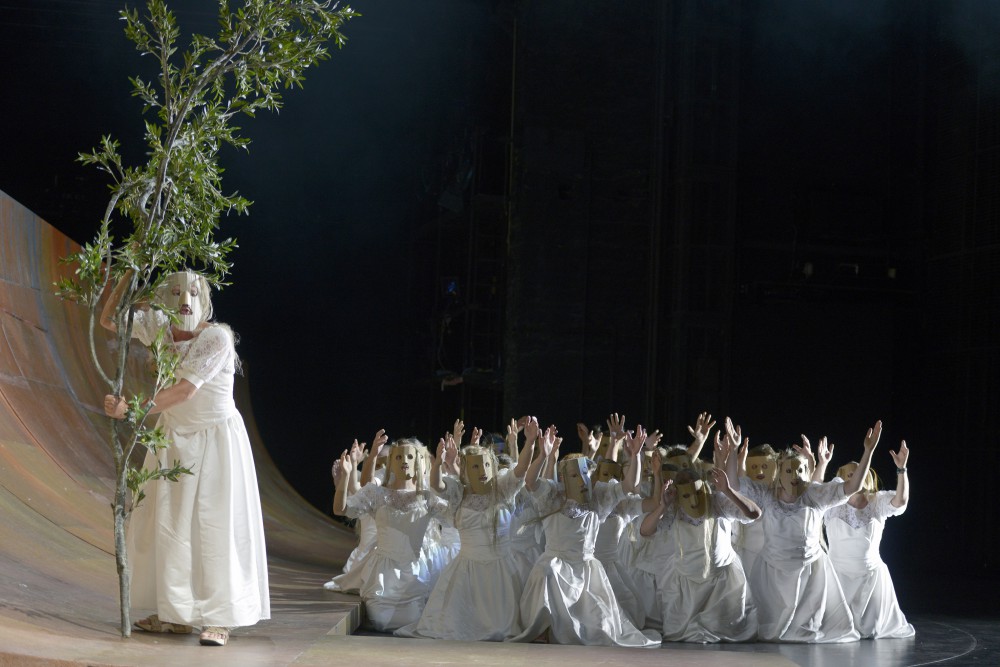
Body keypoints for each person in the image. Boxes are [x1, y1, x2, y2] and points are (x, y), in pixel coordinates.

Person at [101, 270, 269, 647]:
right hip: (172, 437)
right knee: (169, 524)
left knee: (214, 525)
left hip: (214, 440)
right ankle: (175, 614)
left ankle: (220, 617)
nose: (184, 301)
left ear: (204, 300)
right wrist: (130, 272)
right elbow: (109, 320)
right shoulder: (159, 328)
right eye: (175, 293)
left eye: (193, 293)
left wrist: (131, 409)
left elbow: (184, 391)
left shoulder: (216, 337)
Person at [728, 418, 882, 643]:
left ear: (806, 473)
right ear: (780, 473)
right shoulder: (766, 494)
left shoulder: (815, 494)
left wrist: (868, 451)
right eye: (789, 470)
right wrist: (733, 450)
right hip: (772, 571)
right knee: (768, 629)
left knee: (805, 629)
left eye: (800, 470)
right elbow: (734, 483)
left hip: (810, 572)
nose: (795, 475)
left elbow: (853, 487)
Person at [510, 425, 660, 647]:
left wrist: (636, 455)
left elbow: (628, 486)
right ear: (563, 478)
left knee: (600, 625)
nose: (581, 480)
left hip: (586, 565)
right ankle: (543, 627)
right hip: (556, 560)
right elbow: (530, 481)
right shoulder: (552, 495)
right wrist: (544, 454)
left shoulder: (598, 497)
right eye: (574, 475)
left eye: (585, 474)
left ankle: (585, 628)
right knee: (548, 572)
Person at [396, 427, 535, 640]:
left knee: (502, 624)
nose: (483, 470)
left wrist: (531, 441)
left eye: (487, 464)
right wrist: (438, 463)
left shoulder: (503, 488)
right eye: (477, 466)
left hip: (501, 568)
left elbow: (523, 468)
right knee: (460, 622)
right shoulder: (459, 492)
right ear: (466, 471)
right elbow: (437, 485)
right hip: (467, 568)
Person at [333, 437, 445, 632]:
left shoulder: (427, 497)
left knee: (413, 620)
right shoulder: (377, 494)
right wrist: (346, 475)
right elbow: (340, 509)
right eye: (399, 456)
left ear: (419, 462)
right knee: (381, 622)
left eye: (410, 457)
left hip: (415, 578)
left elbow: (458, 515)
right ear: (391, 462)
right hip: (383, 578)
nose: (405, 461)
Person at [819, 438, 914, 639]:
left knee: (871, 630)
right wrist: (821, 463)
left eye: (860, 473)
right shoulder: (833, 504)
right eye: (850, 475)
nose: (856, 477)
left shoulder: (877, 501)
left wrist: (901, 470)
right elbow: (815, 490)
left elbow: (901, 501)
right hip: (838, 576)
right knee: (834, 628)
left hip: (870, 576)